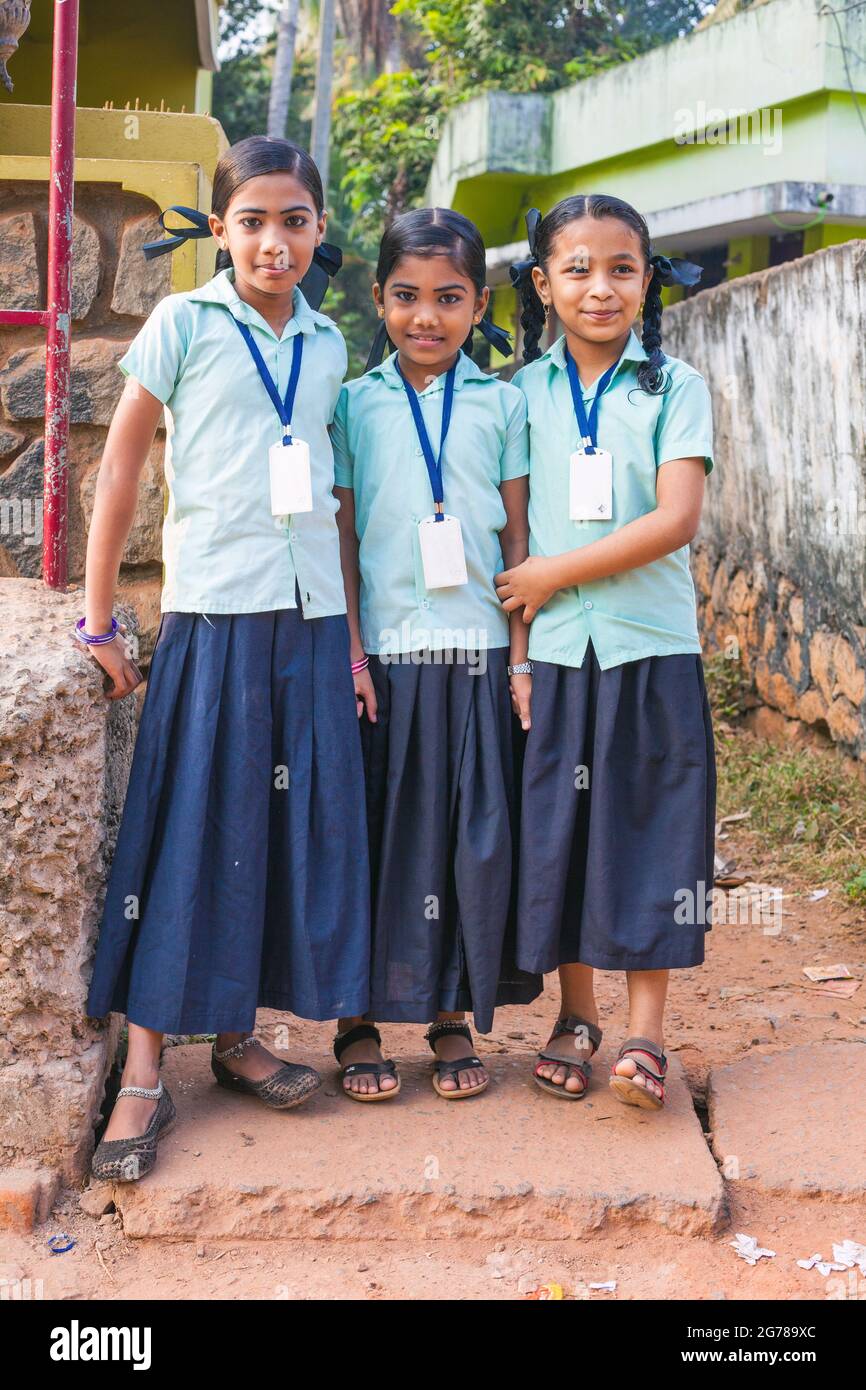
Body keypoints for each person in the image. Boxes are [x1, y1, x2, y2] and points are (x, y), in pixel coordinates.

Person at [82, 136, 369, 1180]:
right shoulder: (182, 323)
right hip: (214, 611)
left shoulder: (333, 341)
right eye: (251, 220)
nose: (273, 240)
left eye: (293, 220)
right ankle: (148, 1072)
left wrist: (351, 638)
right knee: (193, 828)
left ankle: (239, 1037)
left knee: (285, 827)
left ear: (318, 230)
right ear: (219, 228)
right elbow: (119, 464)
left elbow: (334, 497)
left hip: (311, 618)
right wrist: (97, 613)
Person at [497, 194, 716, 1109]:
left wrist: (554, 573)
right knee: (564, 832)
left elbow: (675, 518)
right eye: (577, 269)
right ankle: (575, 1016)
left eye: (622, 268)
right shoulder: (517, 395)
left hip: (650, 647)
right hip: (551, 654)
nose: (600, 288)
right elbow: (510, 544)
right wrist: (518, 651)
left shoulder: (675, 387)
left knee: (652, 830)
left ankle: (645, 1034)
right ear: (543, 285)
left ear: (647, 279)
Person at [330, 208, 542, 1103]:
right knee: (379, 836)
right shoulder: (352, 403)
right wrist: (349, 651)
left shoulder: (504, 403)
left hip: (481, 654)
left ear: (478, 302)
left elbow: (522, 538)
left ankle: (451, 1012)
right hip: (387, 655)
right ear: (378, 298)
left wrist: (522, 657)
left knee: (468, 841)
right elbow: (340, 537)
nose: (427, 317)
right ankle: (358, 1019)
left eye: (449, 298)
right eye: (408, 297)